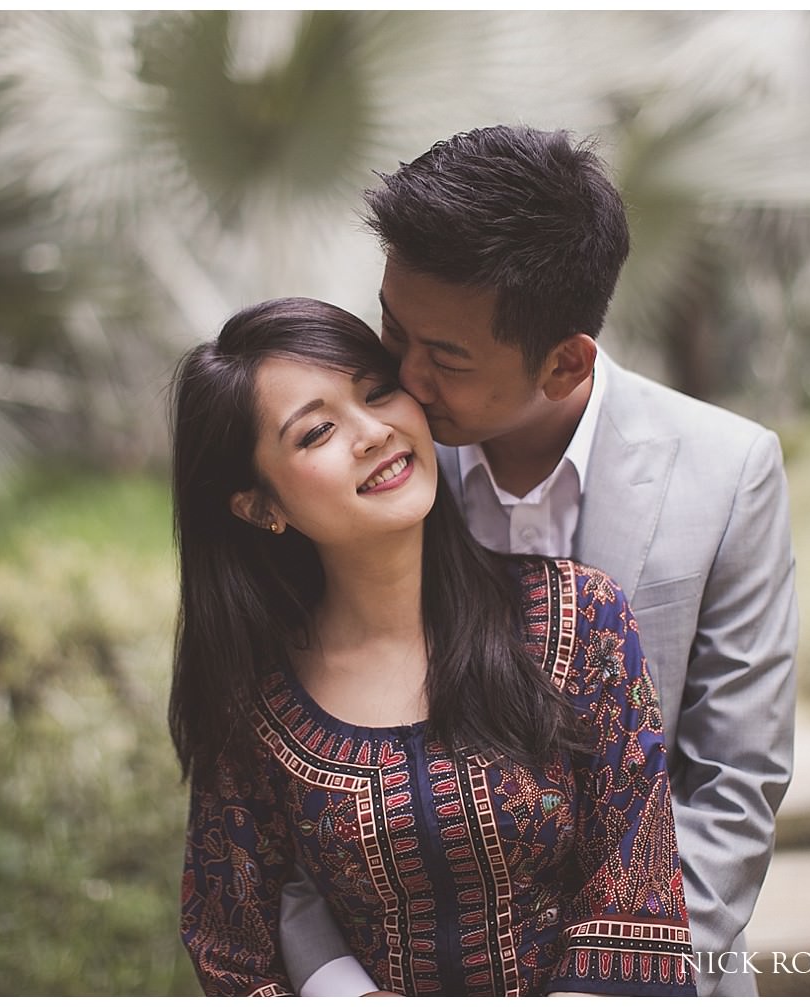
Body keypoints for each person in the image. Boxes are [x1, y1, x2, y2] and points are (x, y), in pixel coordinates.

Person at [281, 126, 798, 996]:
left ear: (565, 363)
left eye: (444, 356)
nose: (403, 377)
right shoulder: (366, 472)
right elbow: (281, 780)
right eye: (393, 327)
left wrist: (616, 983)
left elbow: (731, 784)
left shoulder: (728, 473)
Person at [171, 297, 697, 997]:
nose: (372, 432)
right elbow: (233, 951)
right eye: (318, 430)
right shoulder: (253, 703)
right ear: (261, 505)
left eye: (377, 390)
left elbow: (637, 881)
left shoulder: (579, 616)